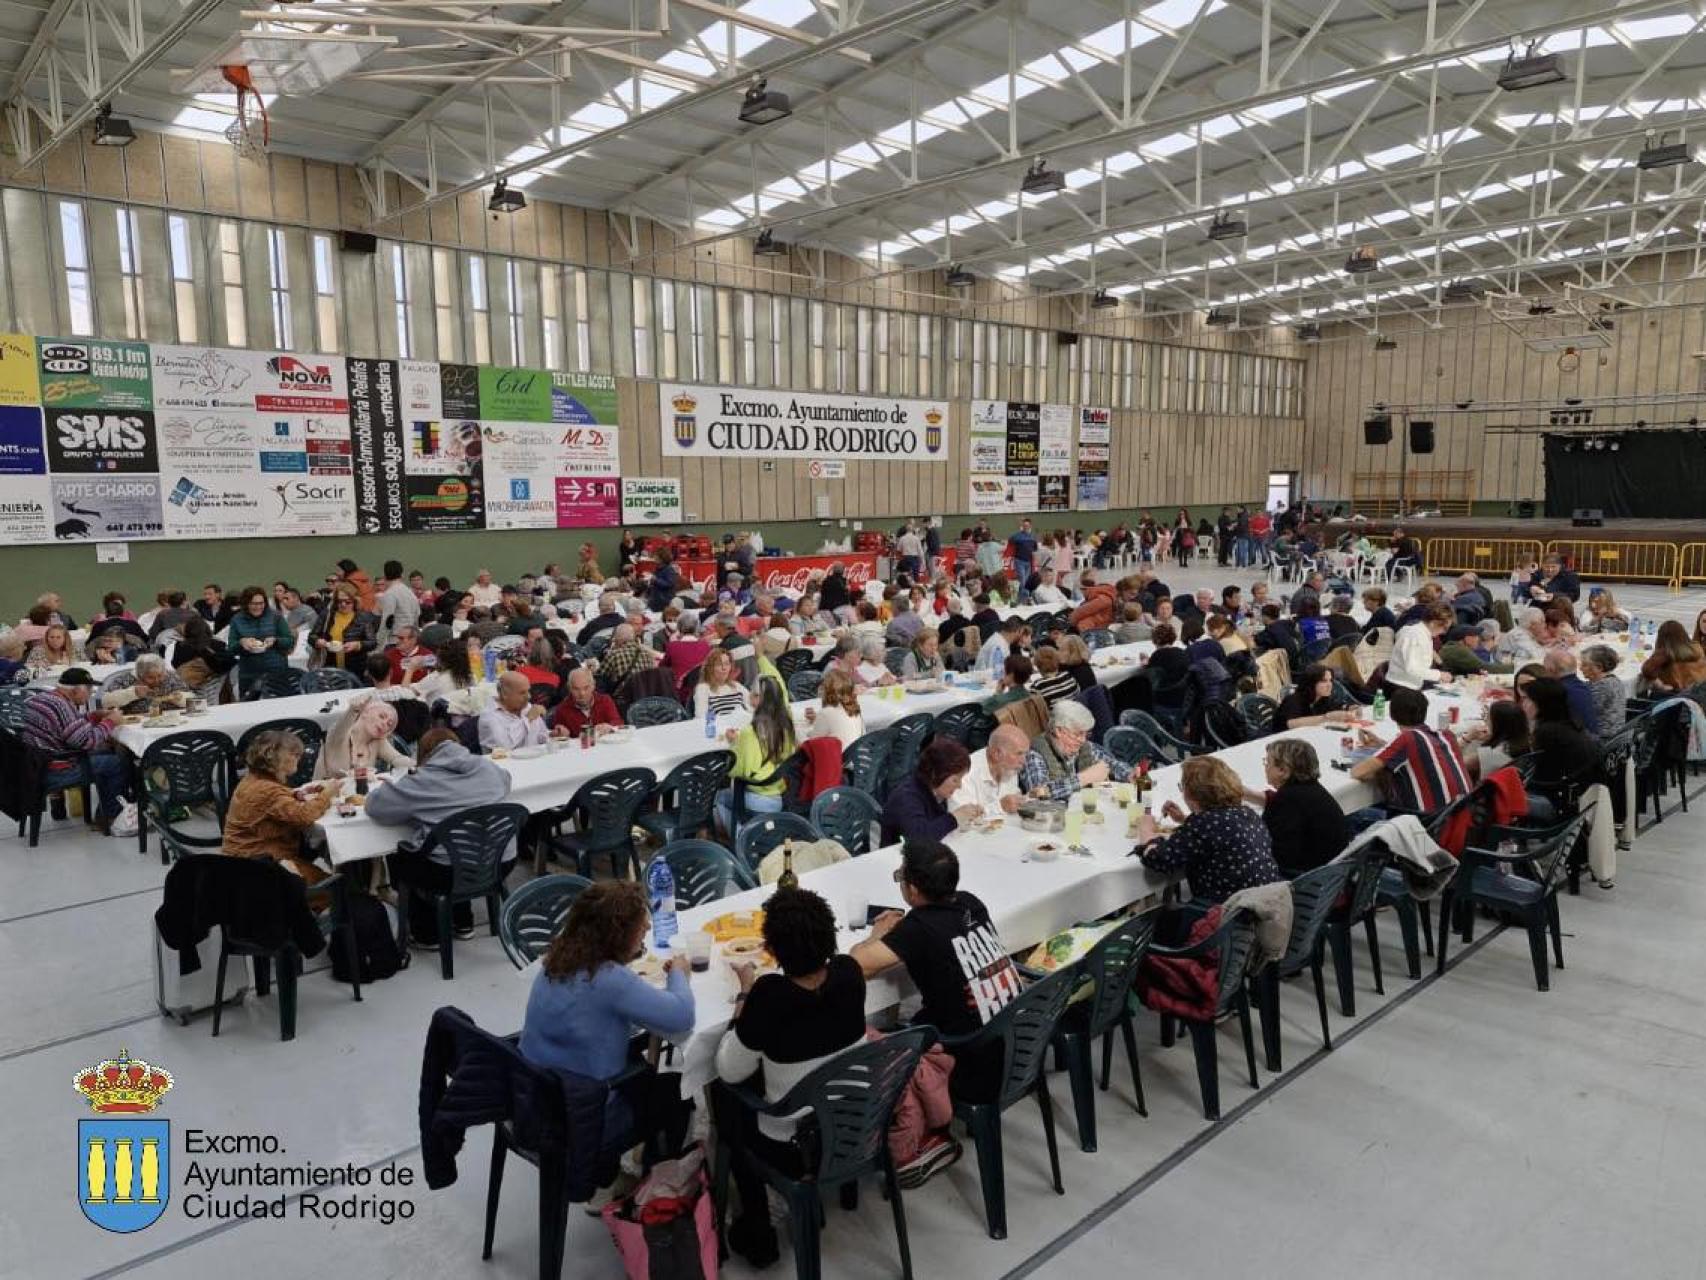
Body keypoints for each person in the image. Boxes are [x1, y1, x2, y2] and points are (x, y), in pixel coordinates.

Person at [716, 887, 884, 1266]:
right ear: (830, 934)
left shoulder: (770, 994)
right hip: (855, 1121)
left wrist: (744, 995)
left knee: (727, 1103)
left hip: (796, 1147)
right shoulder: (849, 972)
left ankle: (758, 1236)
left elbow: (729, 1068)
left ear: (771, 949)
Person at [518, 881, 696, 1175]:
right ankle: (649, 1185)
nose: (648, 931)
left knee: (641, 1064)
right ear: (619, 935)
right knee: (677, 1092)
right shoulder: (609, 978)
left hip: (533, 1095)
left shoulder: (556, 959)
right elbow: (682, 1017)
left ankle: (613, 1170)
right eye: (641, 928)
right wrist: (678, 973)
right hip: (581, 1111)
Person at [852, 839, 1022, 1101]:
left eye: (901, 877)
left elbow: (857, 965)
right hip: (1008, 1041)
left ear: (914, 890)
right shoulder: (970, 902)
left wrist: (877, 934)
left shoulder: (918, 928)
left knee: (867, 1041)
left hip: (964, 1056)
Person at [370, 727, 514, 945]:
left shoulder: (421, 781)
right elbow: (506, 781)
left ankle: (427, 935)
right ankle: (463, 922)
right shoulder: (486, 766)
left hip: (448, 873)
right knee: (459, 845)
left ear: (424, 754)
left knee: (405, 856)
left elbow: (377, 807)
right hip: (499, 863)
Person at [1134, 755, 1284, 901]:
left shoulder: (1202, 825)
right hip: (1270, 904)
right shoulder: (1247, 813)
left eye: (1182, 787)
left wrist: (1146, 829)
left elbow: (1158, 859)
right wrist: (1183, 819)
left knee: (1163, 919)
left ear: (1191, 793)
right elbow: (1219, 833)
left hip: (1229, 914)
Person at [21, 669, 130, 831]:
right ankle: (110, 817)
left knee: (107, 752)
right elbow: (87, 741)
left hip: (36, 765)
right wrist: (110, 722)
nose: (91, 695)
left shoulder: (45, 698)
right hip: (54, 771)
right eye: (89, 690)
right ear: (75, 690)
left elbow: (67, 728)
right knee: (116, 762)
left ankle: (105, 812)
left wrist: (93, 716)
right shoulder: (61, 705)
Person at [221, 729, 335, 882]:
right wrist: (328, 793)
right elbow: (305, 816)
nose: (299, 758)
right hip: (262, 870)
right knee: (337, 889)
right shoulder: (267, 790)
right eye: (294, 754)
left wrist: (294, 794)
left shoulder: (252, 780)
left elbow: (272, 803)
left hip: (240, 861)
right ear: (275, 758)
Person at [1348, 686, 1470, 813]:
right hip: (1460, 817)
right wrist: (1382, 744)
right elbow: (1421, 754)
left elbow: (1358, 772)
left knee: (1354, 815)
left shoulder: (1408, 739)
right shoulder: (1446, 735)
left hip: (1427, 823)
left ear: (1391, 715)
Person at [1243, 739, 1348, 876]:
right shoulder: (1312, 789)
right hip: (1332, 872)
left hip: (1304, 876)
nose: (1266, 767)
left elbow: (1272, 849)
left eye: (1268, 763)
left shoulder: (1287, 799)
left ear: (1283, 770)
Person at [715, 676, 795, 833]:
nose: (749, 696)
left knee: (720, 797)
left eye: (752, 693)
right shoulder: (786, 725)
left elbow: (736, 771)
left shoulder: (749, 733)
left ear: (758, 699)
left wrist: (735, 744)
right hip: (779, 794)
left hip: (757, 797)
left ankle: (741, 836)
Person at [1018, 700, 1133, 801]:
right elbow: (1037, 794)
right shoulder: (1034, 754)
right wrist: (1084, 778)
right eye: (1078, 734)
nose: (1083, 740)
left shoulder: (1082, 746)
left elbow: (1111, 764)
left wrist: (1129, 774)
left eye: (1086, 734)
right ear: (1059, 731)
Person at [881, 738, 978, 844]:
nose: (959, 786)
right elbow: (919, 838)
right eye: (955, 780)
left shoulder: (936, 791)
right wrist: (954, 818)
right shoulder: (906, 797)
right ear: (935, 774)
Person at [319, 697, 413, 777]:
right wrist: (353, 710)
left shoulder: (378, 742)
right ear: (365, 712)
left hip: (359, 796)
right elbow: (341, 727)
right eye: (382, 716)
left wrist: (421, 767)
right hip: (322, 795)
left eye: (389, 724)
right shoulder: (338, 734)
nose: (385, 723)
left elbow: (397, 758)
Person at [227, 585, 295, 693]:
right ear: (246, 603)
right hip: (249, 674)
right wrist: (241, 643)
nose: (258, 607)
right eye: (254, 604)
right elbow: (231, 648)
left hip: (276, 671)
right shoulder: (237, 620)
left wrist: (275, 640)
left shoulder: (275, 616)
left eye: (261, 603)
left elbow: (290, 641)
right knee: (249, 706)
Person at [949, 723, 1028, 815]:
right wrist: (1000, 807)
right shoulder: (965, 774)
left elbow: (1013, 801)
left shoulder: (1008, 768)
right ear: (997, 754)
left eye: (1025, 754)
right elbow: (959, 820)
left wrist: (1028, 797)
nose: (1023, 761)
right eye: (1019, 753)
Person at [477, 673, 554, 758]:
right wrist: (528, 719)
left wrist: (553, 735)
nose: (529, 696)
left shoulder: (526, 707)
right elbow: (505, 747)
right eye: (522, 693)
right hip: (506, 768)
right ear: (504, 694)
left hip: (534, 762)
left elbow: (542, 736)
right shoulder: (489, 717)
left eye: (528, 691)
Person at [1460, 699, 1532, 781]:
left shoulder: (1494, 754)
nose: (1485, 721)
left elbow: (1454, 765)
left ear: (1497, 725)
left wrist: (1467, 738)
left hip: (1486, 791)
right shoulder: (1525, 741)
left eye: (1488, 718)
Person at [1384, 604, 1451, 691]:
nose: (1444, 632)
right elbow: (1412, 668)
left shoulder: (1423, 634)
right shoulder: (1414, 635)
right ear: (1433, 623)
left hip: (1411, 684)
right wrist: (1439, 675)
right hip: (1401, 687)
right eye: (1444, 628)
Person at [311, 584, 377, 671]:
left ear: (355, 601)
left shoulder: (363, 617)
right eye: (339, 601)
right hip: (329, 665)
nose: (343, 604)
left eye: (347, 602)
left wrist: (357, 645)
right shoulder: (327, 615)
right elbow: (312, 636)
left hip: (355, 667)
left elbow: (372, 642)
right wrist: (317, 641)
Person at [1274, 665, 1355, 730]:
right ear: (1311, 683)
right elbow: (1292, 724)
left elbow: (1336, 706)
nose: (1329, 685)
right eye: (1324, 681)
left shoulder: (1322, 698)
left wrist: (1350, 707)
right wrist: (1326, 718)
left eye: (1330, 680)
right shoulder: (1293, 700)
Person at [98, 653, 187, 712]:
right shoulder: (125, 680)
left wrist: (180, 698)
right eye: (150, 677)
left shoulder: (171, 677)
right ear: (140, 675)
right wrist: (133, 693)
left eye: (160, 676)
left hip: (171, 720)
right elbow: (105, 702)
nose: (157, 680)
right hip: (136, 724)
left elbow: (192, 698)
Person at [802, 669, 865, 749]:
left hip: (838, 758)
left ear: (826, 690)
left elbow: (813, 740)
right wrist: (817, 719)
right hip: (854, 756)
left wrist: (806, 733)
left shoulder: (826, 713)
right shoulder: (854, 709)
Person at [552, 667, 622, 737]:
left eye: (586, 688)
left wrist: (609, 726)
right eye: (576, 689)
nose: (582, 693)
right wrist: (560, 733)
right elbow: (557, 734)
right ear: (569, 688)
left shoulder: (605, 700)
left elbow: (618, 722)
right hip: (579, 747)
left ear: (593, 685)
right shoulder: (562, 709)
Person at [1639, 620, 1706, 694]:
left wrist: (1661, 685)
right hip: (1700, 695)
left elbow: (1647, 669)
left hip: (1679, 697)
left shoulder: (1666, 653)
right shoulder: (1696, 647)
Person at [1579, 644, 1627, 741]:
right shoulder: (1614, 680)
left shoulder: (1601, 687)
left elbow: (1584, 713)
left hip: (1604, 738)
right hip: (1617, 732)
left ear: (1599, 668)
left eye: (1584, 665)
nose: (1580, 668)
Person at [691, 647, 750, 721]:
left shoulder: (737, 686)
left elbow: (752, 710)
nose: (724, 668)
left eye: (727, 664)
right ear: (710, 668)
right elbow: (701, 718)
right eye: (719, 664)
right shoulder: (703, 688)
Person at [662, 610, 711, 693]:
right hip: (702, 690)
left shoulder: (673, 646)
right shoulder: (705, 646)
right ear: (696, 628)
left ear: (679, 628)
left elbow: (662, 667)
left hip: (680, 692)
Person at [375, 559, 420, 647]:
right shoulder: (410, 593)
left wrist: (379, 642)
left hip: (395, 641)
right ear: (402, 574)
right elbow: (417, 615)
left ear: (385, 576)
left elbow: (387, 621)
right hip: (410, 640)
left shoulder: (390, 594)